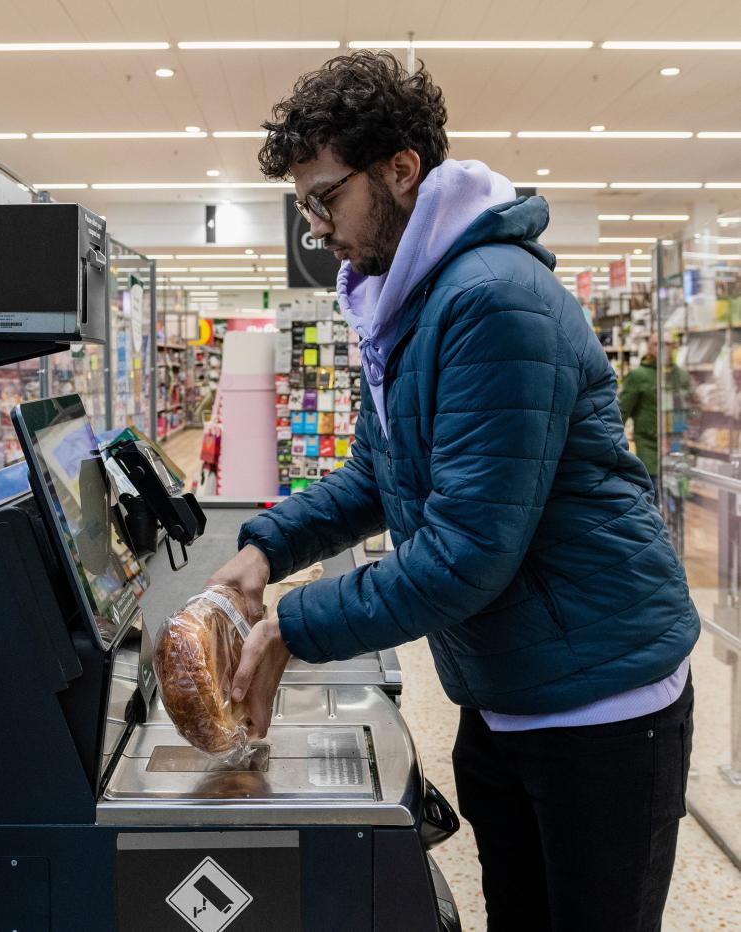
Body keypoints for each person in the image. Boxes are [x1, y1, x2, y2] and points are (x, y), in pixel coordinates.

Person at [208, 51, 699, 931]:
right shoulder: (404, 301)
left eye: (326, 196)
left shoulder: (492, 299)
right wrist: (267, 546)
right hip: (509, 687)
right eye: (304, 204)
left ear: (402, 170)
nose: (315, 226)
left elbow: (468, 551)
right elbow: (376, 473)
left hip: (601, 704)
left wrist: (296, 624)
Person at [619, 333, 690, 505]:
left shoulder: (681, 376)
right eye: (658, 344)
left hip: (675, 445)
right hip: (649, 447)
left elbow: (690, 407)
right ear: (650, 347)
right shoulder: (638, 376)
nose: (663, 348)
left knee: (678, 499)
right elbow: (621, 412)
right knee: (654, 497)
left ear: (673, 347)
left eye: (668, 344)